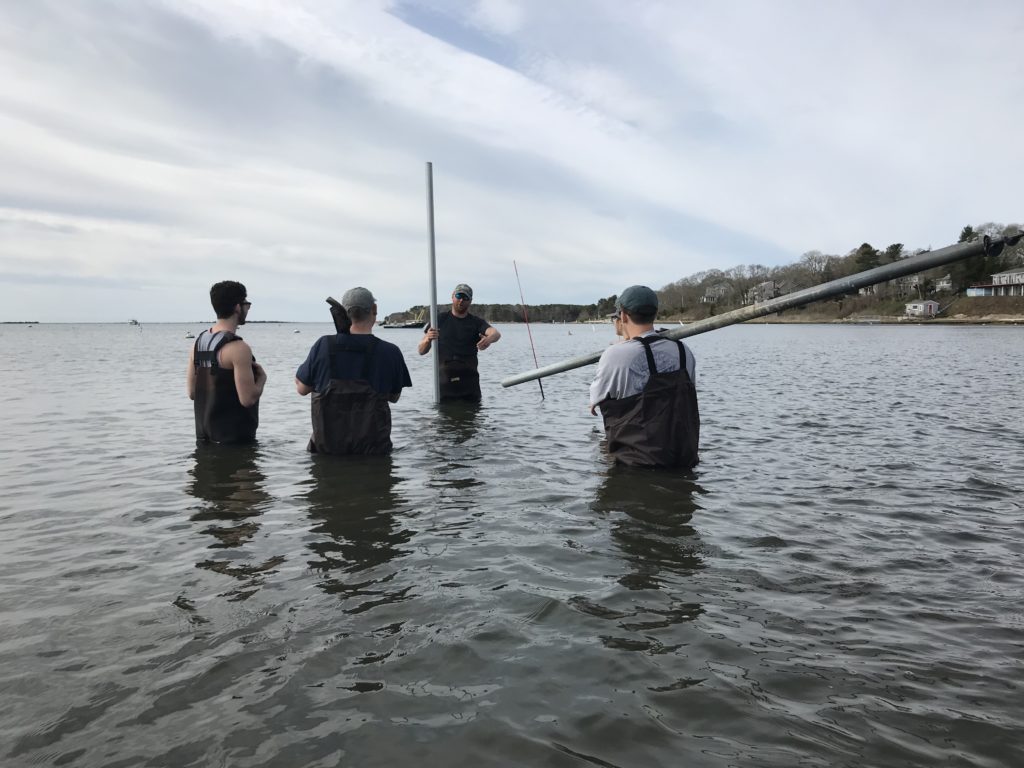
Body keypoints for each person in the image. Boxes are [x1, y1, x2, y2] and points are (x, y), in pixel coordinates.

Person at [589, 285, 700, 468]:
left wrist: (620, 346)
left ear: (623, 316)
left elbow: (595, 400)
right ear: (655, 314)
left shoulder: (615, 355)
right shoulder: (683, 351)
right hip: (683, 461)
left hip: (637, 466)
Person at [295, 287, 412, 455]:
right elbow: (394, 397)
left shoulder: (323, 345)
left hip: (328, 455)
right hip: (374, 455)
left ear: (343, 313)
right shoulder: (390, 351)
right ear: (374, 310)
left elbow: (302, 389)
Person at [188, 280, 266, 444]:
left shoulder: (198, 343)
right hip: (235, 442)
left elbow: (192, 393)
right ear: (238, 307)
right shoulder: (238, 348)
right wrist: (261, 381)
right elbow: (247, 399)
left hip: (204, 439)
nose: (247, 308)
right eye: (247, 304)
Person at [417, 283, 501, 401]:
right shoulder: (438, 320)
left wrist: (488, 339)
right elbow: (421, 351)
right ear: (452, 296)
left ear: (470, 301)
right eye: (459, 296)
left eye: (465, 298)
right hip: (444, 386)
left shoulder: (476, 322)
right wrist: (428, 339)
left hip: (469, 386)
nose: (461, 300)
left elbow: (495, 334)